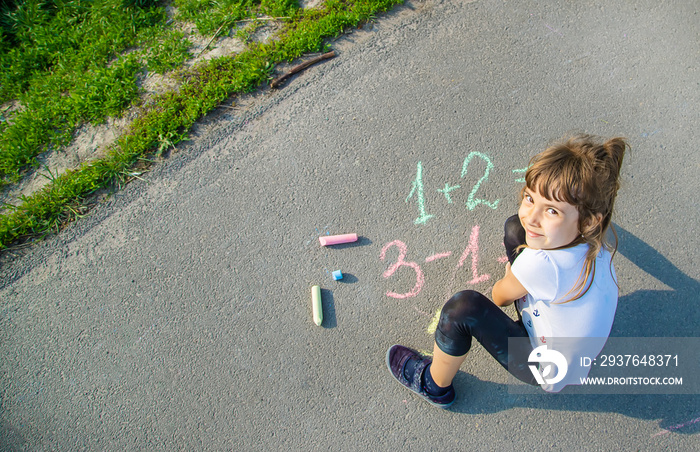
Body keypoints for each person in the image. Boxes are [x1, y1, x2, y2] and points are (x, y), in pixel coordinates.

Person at [386, 133, 628, 407]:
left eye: (552, 212)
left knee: (463, 309)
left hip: (545, 367)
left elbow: (499, 297)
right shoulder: (598, 244)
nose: (532, 216)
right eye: (530, 198)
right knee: (517, 228)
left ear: (587, 221)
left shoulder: (540, 265)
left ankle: (433, 384)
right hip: (571, 351)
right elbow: (535, 238)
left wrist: (516, 276)